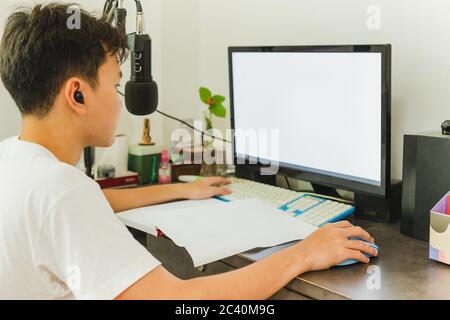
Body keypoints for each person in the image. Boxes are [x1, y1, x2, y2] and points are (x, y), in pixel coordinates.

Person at [0, 3, 377, 300]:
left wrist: (181, 189)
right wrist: (303, 254)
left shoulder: (16, 160)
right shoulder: (63, 192)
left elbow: (93, 200)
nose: (120, 103)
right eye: (116, 86)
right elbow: (177, 297)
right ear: (77, 94)